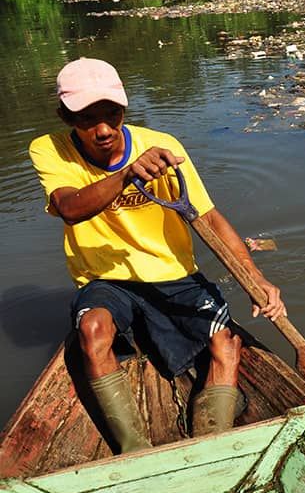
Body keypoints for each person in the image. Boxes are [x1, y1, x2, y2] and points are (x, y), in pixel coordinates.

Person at [29, 58, 286, 453]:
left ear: (123, 109)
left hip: (173, 273)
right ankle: (135, 451)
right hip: (106, 279)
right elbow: (69, 206)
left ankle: (211, 440)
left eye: (111, 115)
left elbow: (209, 217)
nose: (102, 130)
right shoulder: (50, 150)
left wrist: (254, 278)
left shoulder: (162, 148)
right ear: (67, 117)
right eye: (86, 118)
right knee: (93, 332)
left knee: (226, 344)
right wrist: (128, 174)